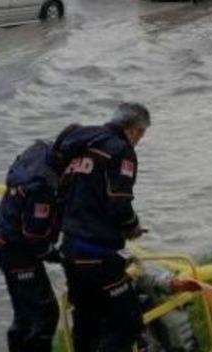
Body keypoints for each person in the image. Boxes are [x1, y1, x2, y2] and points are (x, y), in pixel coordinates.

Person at [56, 102, 151, 352]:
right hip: (96, 254)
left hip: (70, 248)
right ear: (132, 129)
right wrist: (132, 227)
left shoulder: (85, 143)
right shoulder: (121, 151)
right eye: (141, 133)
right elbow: (118, 202)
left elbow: (62, 191)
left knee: (87, 319)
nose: (140, 139)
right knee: (128, 323)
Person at [0, 124, 80, 352]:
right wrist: (55, 255)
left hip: (3, 240)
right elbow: (34, 236)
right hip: (17, 250)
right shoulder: (43, 185)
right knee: (45, 313)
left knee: (24, 314)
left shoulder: (40, 149)